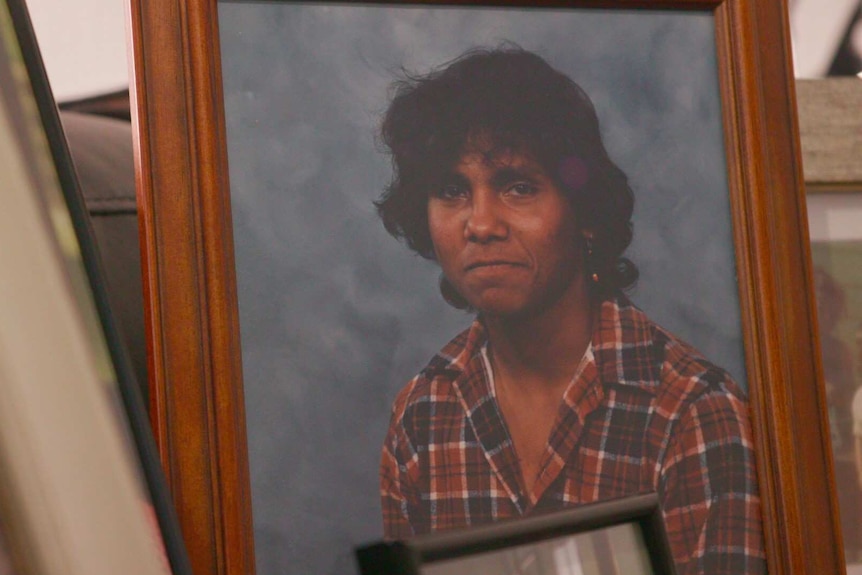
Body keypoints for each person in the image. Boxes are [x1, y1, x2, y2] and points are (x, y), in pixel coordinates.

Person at [375, 46, 764, 575]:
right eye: (452, 190)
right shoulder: (422, 415)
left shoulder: (690, 411)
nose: (481, 223)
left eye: (518, 186)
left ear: (584, 211)